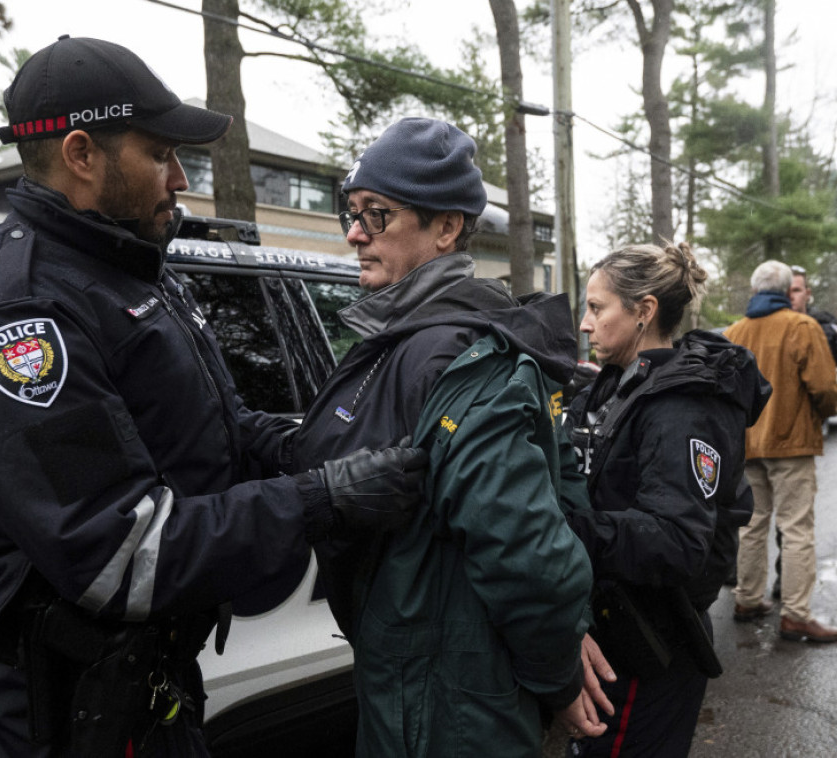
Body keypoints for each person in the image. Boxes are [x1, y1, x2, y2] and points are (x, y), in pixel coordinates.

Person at [0, 36, 427, 758]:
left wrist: (302, 446)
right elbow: (122, 555)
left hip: (153, 684)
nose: (179, 178)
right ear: (82, 154)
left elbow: (209, 426)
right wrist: (321, 497)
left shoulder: (123, 266)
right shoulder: (14, 319)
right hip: (82, 710)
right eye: (159, 154)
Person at [289, 117, 604, 757]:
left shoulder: (464, 356)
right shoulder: (397, 341)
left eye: (377, 215)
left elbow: (529, 551)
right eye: (351, 212)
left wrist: (557, 673)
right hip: (409, 680)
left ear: (446, 228)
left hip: (447, 703)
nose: (354, 233)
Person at [564, 242, 769, 757]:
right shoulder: (617, 383)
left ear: (644, 311)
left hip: (648, 644)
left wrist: (562, 528)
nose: (585, 325)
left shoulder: (681, 406)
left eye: (596, 308)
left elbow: (678, 539)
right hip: (610, 631)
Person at [725, 260, 837, 642]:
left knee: (753, 525)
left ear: (755, 290)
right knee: (796, 529)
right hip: (792, 444)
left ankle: (747, 598)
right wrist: (819, 414)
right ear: (786, 289)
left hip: (749, 444)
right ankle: (796, 615)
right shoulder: (802, 327)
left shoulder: (735, 332)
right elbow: (825, 388)